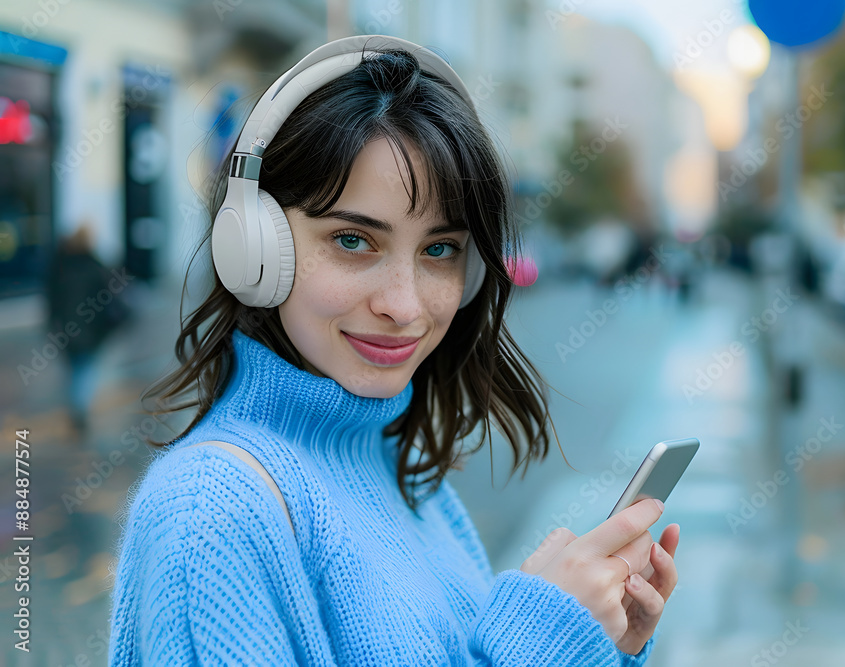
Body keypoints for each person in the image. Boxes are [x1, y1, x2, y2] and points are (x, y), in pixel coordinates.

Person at [107, 35, 680, 666]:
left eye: (440, 250)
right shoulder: (210, 515)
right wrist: (537, 645)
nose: (404, 306)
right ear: (254, 250)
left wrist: (592, 643)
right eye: (353, 240)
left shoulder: (403, 473)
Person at [45, 223, 129, 439]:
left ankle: (76, 407)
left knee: (75, 370)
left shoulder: (60, 266)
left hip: (65, 330)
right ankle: (79, 409)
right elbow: (110, 299)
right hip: (90, 332)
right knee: (85, 371)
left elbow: (51, 300)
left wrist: (52, 324)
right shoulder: (95, 268)